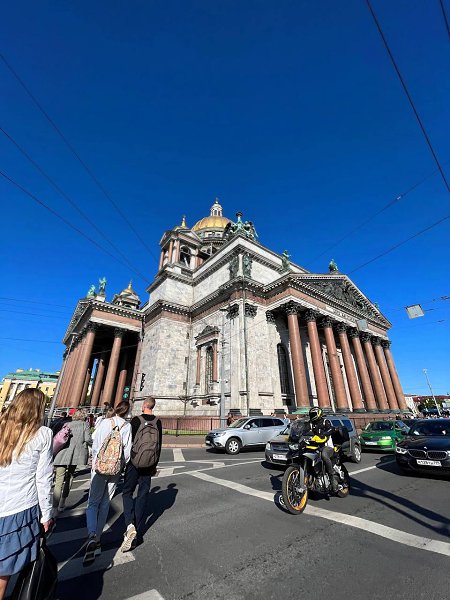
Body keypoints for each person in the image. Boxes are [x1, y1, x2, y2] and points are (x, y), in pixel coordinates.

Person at [0, 389, 54, 600]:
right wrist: (46, 514)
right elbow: (43, 478)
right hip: (19, 509)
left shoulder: (2, 428)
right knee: (3, 574)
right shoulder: (42, 434)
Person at [84, 401, 132, 565]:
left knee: (93, 502)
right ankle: (98, 540)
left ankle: (91, 535)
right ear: (127, 412)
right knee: (105, 502)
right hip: (115, 469)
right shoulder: (127, 426)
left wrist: (95, 462)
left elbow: (95, 443)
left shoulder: (105, 422)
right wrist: (120, 466)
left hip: (99, 467)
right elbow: (127, 452)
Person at [121, 397, 162, 552]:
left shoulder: (136, 420)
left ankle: (130, 525)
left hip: (134, 461)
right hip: (149, 462)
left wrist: (125, 462)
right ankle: (137, 529)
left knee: (127, 492)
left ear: (144, 405)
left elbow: (128, 442)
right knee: (143, 494)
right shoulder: (158, 422)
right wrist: (154, 465)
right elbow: (159, 445)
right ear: (153, 406)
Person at [53, 408, 92, 512]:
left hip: (62, 453)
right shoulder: (85, 425)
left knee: (59, 480)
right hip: (75, 455)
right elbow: (88, 439)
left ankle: (54, 507)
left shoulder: (67, 424)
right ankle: (62, 503)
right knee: (69, 477)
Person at [304, 407, 338, 492]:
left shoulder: (325, 421)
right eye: (311, 414)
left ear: (319, 414)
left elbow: (331, 429)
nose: (312, 416)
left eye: (314, 414)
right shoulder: (310, 423)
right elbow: (304, 430)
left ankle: (331, 476)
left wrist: (324, 434)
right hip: (314, 446)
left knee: (324, 455)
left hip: (327, 446)